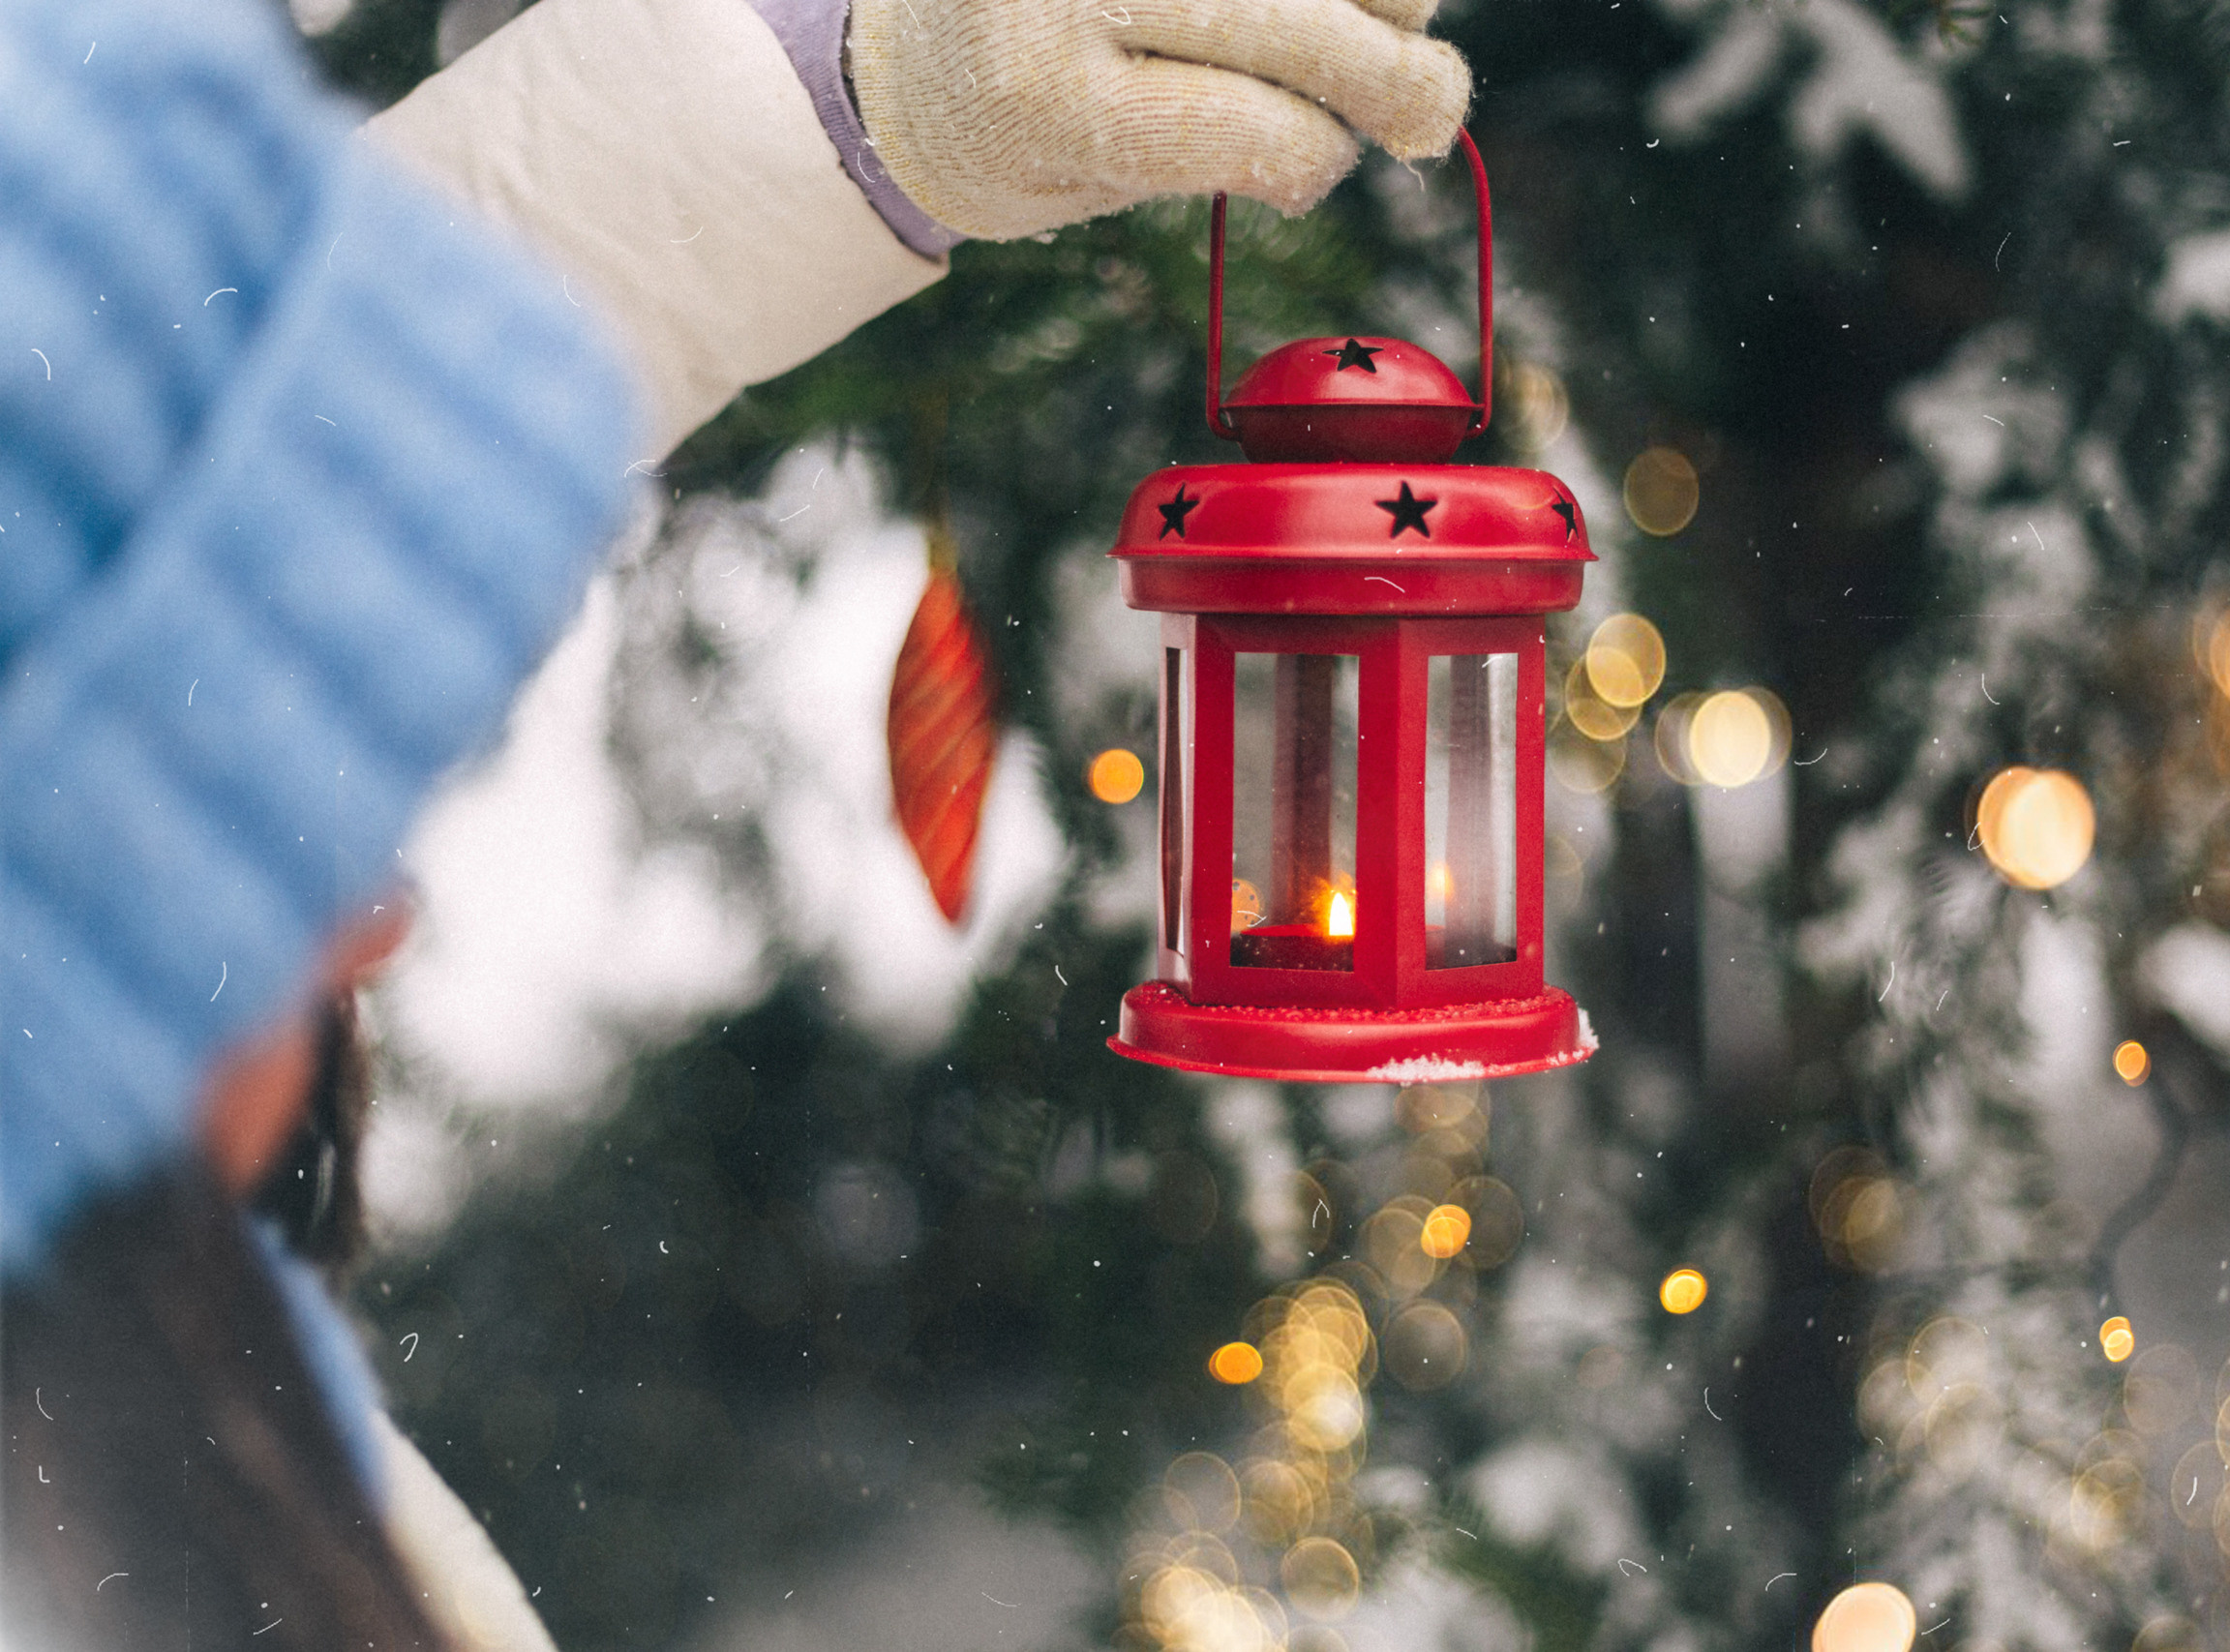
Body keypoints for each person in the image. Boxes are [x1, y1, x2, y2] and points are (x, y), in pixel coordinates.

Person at [0, 0, 1468, 1644]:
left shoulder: (135, 1407)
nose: (379, 917)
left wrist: (850, 100)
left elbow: (183, 481)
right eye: (246, 831)